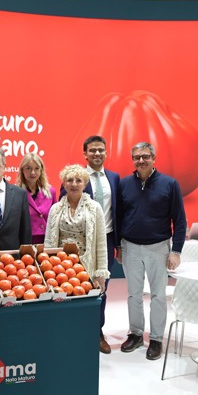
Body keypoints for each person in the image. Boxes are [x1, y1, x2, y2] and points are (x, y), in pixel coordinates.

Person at [116, 142, 187, 361]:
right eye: (137, 157)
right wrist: (118, 246)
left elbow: (180, 220)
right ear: (133, 160)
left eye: (145, 156)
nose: (141, 161)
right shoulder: (124, 184)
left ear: (153, 158)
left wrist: (176, 251)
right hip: (130, 247)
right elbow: (118, 217)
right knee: (134, 294)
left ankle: (156, 339)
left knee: (158, 295)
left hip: (159, 248)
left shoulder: (169, 184)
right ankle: (136, 334)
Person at [62, 136, 120, 354]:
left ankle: (97, 332)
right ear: (85, 153)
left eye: (101, 150)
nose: (97, 154)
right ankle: (73, 331)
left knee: (101, 287)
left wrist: (119, 245)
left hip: (107, 239)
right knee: (73, 287)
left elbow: (118, 211)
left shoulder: (114, 178)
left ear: (106, 153)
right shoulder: (75, 178)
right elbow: (63, 209)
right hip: (79, 243)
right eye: (93, 150)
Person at [44, 165, 109, 294]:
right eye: (69, 180)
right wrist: (48, 269)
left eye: (78, 180)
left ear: (85, 184)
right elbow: (49, 242)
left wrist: (101, 274)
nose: (74, 184)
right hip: (60, 266)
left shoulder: (95, 208)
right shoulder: (55, 209)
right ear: (64, 184)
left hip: (86, 265)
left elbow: (101, 243)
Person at [16, 152, 57, 244]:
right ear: (22, 170)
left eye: (37, 168)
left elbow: (55, 219)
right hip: (24, 240)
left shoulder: (51, 192)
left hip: (46, 240)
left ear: (41, 170)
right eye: (28, 168)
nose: (33, 172)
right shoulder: (15, 192)